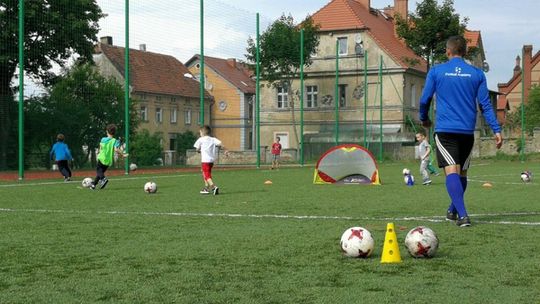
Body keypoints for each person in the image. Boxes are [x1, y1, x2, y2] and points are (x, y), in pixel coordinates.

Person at [419, 35, 503, 227]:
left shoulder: (436, 71)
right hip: (467, 132)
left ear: (447, 51)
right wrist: (496, 129)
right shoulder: (477, 74)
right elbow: (485, 105)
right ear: (465, 52)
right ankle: (452, 210)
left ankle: (463, 216)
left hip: (446, 131)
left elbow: (424, 100)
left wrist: (424, 118)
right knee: (462, 173)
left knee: (452, 172)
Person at [194, 125, 228, 195]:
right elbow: (221, 144)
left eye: (200, 132)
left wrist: (199, 150)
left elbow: (197, 149)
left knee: (206, 175)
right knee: (206, 173)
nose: (200, 134)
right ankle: (206, 188)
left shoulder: (201, 139)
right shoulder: (213, 139)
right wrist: (226, 150)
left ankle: (213, 187)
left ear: (202, 133)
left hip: (205, 160)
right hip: (211, 160)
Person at [91, 124, 127, 190]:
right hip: (108, 160)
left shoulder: (103, 139)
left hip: (102, 158)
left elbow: (101, 147)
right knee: (100, 172)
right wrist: (123, 154)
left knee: (98, 170)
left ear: (107, 131)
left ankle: (103, 179)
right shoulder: (115, 141)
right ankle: (93, 184)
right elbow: (116, 149)